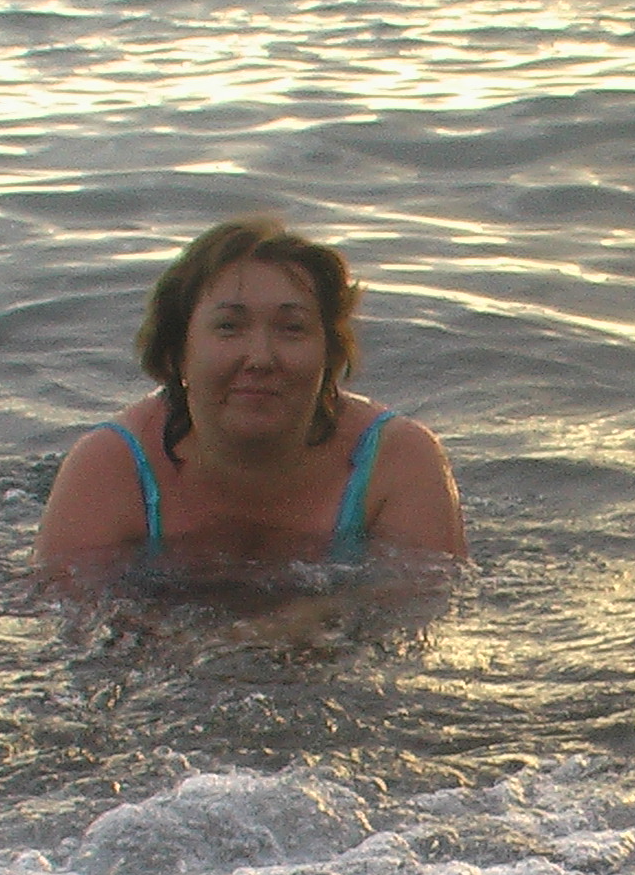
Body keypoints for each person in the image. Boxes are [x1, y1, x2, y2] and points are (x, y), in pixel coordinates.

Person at [34, 216, 465, 598]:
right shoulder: (111, 466)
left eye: (291, 329)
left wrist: (294, 629)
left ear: (330, 354)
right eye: (229, 327)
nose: (260, 358)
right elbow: (66, 615)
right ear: (177, 352)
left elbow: (418, 605)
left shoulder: (398, 461)